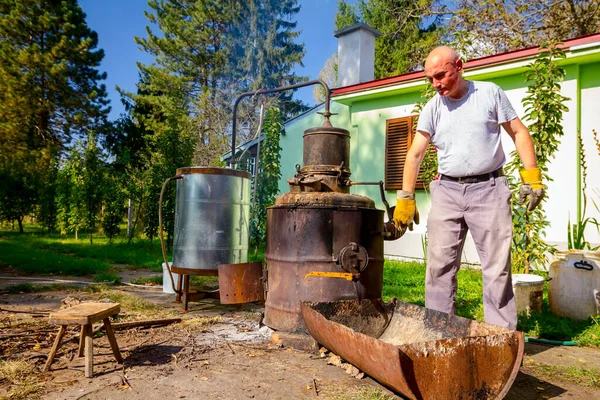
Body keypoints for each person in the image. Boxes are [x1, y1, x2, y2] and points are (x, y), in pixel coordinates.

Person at [393, 46, 544, 329]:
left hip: (489, 189)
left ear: (459, 67)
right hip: (447, 192)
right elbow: (414, 154)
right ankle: (439, 335)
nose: (436, 84)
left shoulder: (489, 94)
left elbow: (519, 132)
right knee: (439, 268)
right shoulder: (433, 108)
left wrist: (532, 176)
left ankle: (501, 341)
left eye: (441, 75)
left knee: (497, 270)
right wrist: (405, 197)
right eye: (430, 79)